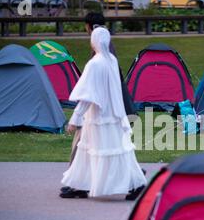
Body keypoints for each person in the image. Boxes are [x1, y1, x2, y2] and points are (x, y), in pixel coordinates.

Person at [60, 27, 147, 199]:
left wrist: (75, 118)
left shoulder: (95, 63)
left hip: (98, 117)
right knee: (112, 150)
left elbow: (87, 95)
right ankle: (79, 185)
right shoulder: (111, 60)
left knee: (101, 151)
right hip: (112, 115)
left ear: (93, 42)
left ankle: (135, 183)